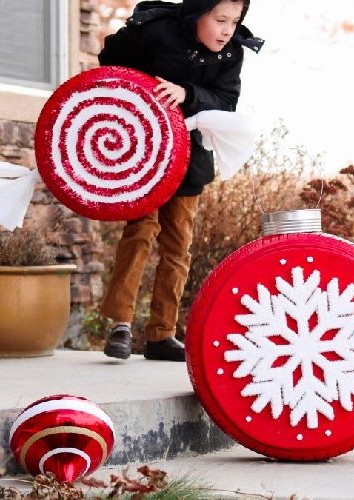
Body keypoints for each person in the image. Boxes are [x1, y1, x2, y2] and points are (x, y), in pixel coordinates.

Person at [98, 0, 263, 361]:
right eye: (220, 20)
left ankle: (161, 335)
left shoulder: (232, 53)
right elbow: (110, 60)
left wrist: (187, 94)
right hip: (142, 154)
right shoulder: (156, 30)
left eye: (234, 22)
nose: (227, 30)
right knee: (140, 230)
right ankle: (120, 324)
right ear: (197, 13)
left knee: (177, 247)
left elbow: (225, 103)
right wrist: (138, 94)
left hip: (189, 159)